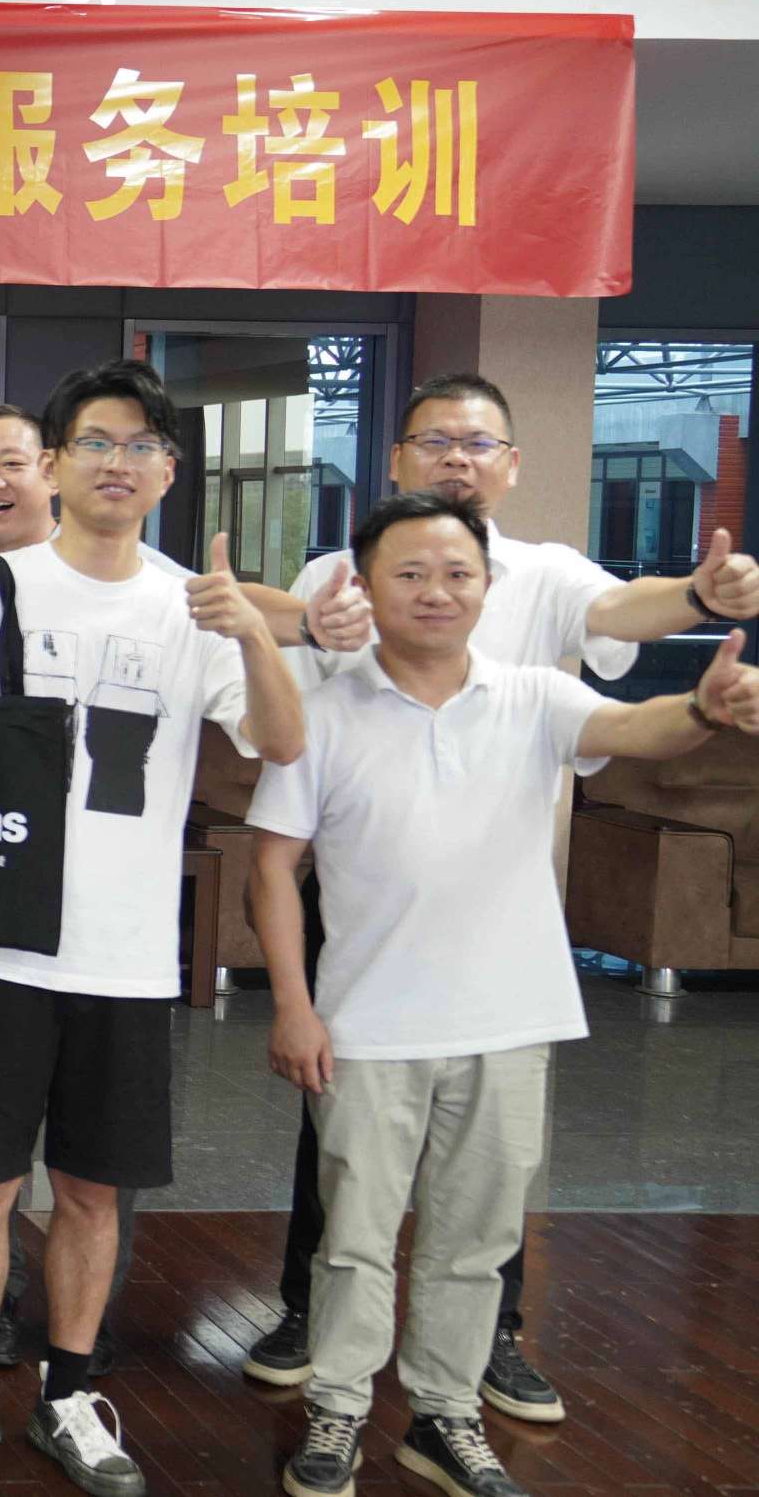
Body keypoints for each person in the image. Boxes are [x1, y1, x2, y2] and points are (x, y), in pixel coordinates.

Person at [241, 372, 759, 1420]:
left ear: (511, 468)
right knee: (347, 1176)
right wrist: (293, 625)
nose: (457, 457)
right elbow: (277, 754)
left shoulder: (541, 595)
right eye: (434, 439)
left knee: (483, 1209)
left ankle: (471, 1372)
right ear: (395, 460)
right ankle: (323, 1351)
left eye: (478, 442)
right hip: (368, 910)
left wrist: (703, 617)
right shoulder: (336, 583)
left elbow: (626, 639)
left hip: (501, 941)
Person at [0, 360, 304, 1497]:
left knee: (92, 1190)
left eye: (142, 446)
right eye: (97, 443)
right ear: (57, 463)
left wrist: (254, 633)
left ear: (168, 472)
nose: (120, 463)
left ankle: (67, 1395)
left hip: (125, 954)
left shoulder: (193, 603)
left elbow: (281, 743)